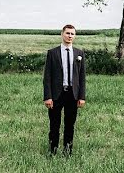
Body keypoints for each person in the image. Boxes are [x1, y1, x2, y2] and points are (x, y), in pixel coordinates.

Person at [43, 24, 86, 156]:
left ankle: (68, 151)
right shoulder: (53, 53)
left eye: (72, 34)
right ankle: (53, 151)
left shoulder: (79, 53)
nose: (70, 36)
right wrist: (48, 97)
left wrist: (82, 97)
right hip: (57, 94)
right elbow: (47, 77)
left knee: (70, 125)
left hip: (72, 94)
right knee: (54, 125)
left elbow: (82, 77)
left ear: (75, 36)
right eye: (67, 33)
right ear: (62, 34)